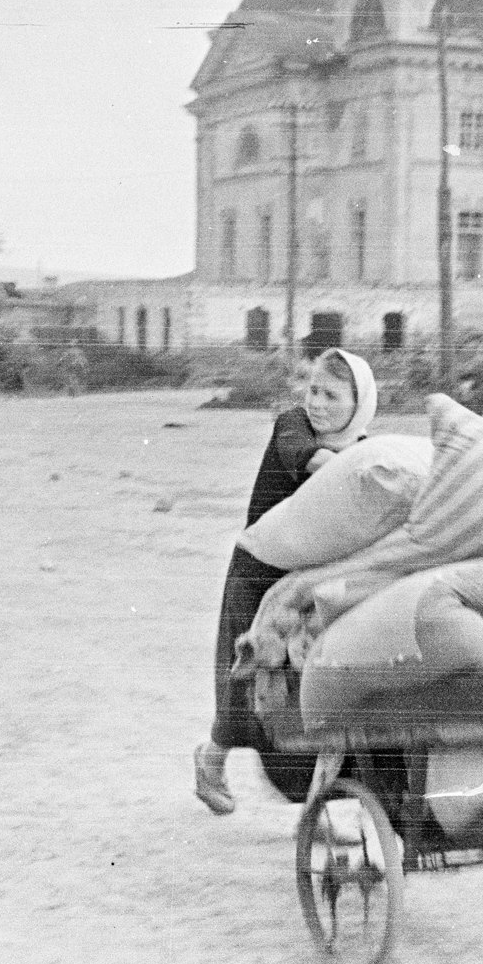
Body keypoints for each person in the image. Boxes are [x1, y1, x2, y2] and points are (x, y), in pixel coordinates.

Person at [193, 347, 378, 814]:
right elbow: (305, 457)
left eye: (331, 395)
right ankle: (210, 761)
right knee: (243, 687)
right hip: (257, 575)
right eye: (313, 389)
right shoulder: (293, 426)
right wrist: (364, 470)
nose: (316, 402)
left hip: (308, 587)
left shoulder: (364, 450)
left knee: (306, 692)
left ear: (358, 405)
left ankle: (318, 805)